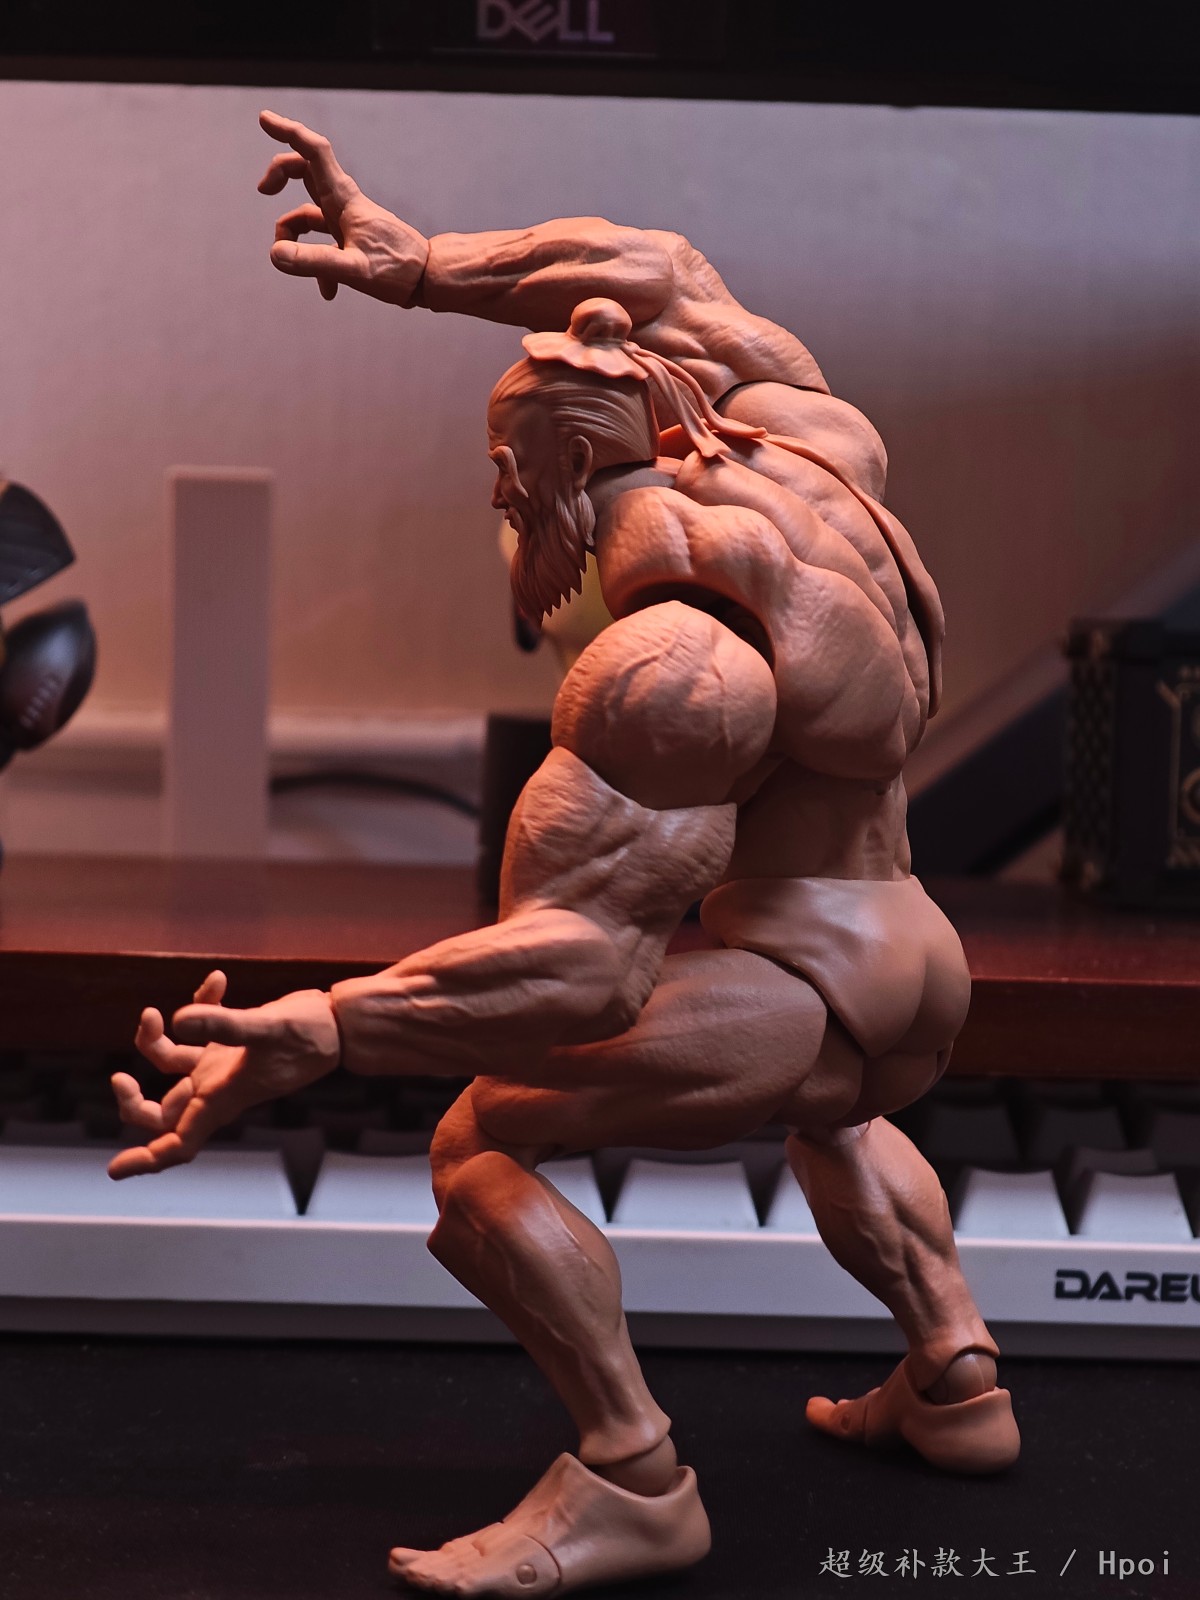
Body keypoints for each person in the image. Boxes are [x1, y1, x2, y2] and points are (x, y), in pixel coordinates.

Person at [108, 113, 1019, 1598]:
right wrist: (425, 267)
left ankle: (632, 1476)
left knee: (478, 1144)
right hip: (918, 965)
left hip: (802, 994)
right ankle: (956, 1384)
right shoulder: (808, 438)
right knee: (838, 1116)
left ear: (534, 490)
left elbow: (586, 973)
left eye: (502, 494)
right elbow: (651, 268)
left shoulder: (673, 665)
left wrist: (331, 1022)